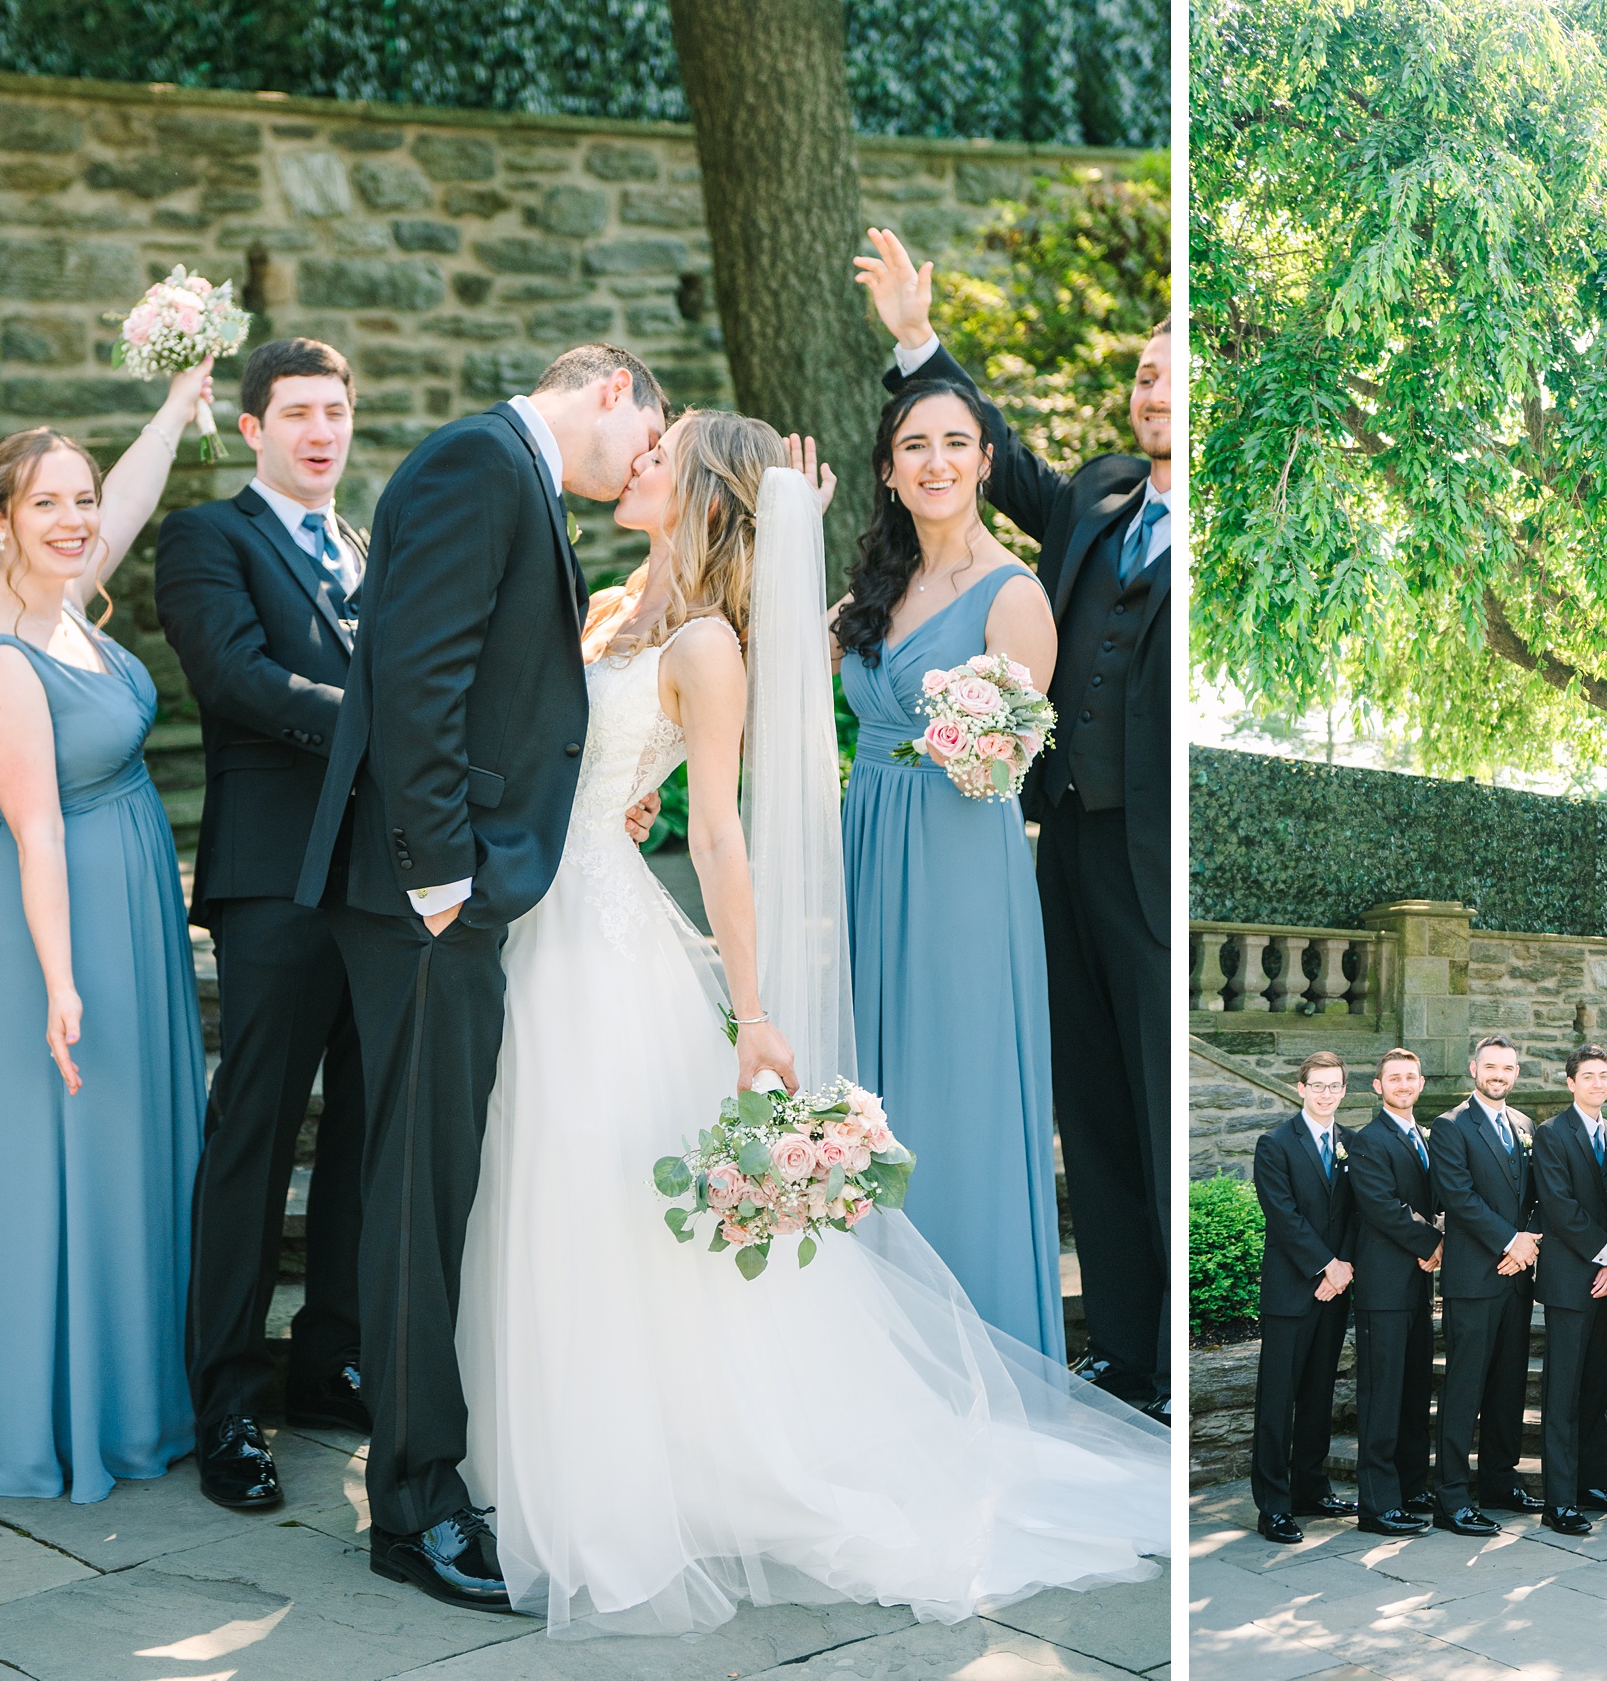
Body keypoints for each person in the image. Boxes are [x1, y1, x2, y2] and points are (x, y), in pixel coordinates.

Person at [454, 411, 1168, 1634]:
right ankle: (545, 1437)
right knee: (547, 1184)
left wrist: (753, 1008)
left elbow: (721, 825)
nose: (638, 460)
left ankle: (654, 1464)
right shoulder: (607, 600)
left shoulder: (711, 645)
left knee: (594, 1176)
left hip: (683, 918)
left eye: (660, 451)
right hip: (548, 916)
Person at [295, 344, 673, 1611]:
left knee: (426, 1186)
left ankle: (416, 1477)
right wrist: (440, 874)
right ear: (612, 388)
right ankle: (414, 1506)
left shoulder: (509, 473)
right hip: (423, 903)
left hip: (436, 893)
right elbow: (417, 678)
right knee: (419, 1198)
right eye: (646, 437)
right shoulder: (481, 463)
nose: (641, 466)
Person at [857, 229, 1172, 1417]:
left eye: (1174, 373)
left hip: (1157, 854)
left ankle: (1174, 1355)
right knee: (1088, 1101)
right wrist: (914, 342)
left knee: (1155, 1101)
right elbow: (977, 456)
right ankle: (1131, 1353)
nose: (1154, 389)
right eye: (1144, 373)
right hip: (1065, 845)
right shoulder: (1095, 495)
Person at [0, 362, 215, 1502]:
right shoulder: (0, 657)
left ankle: (143, 1391)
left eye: (79, 499)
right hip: (59, 925)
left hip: (133, 909)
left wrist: (175, 409)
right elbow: (34, 836)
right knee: (75, 1160)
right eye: (47, 504)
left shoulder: (63, 598)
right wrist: (62, 985)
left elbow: (123, 504)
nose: (76, 520)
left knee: (140, 1151)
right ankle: (67, 1418)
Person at [154, 338, 370, 1512]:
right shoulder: (207, 539)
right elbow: (234, 682)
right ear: (251, 429)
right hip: (271, 883)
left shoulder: (367, 545)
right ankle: (229, 1398)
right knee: (258, 1134)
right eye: (296, 414)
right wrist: (386, 723)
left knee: (365, 1127)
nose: (319, 432)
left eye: (334, 412)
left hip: (374, 887)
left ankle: (333, 1358)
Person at [831, 377, 1063, 1358]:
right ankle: (871, 1342)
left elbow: (1011, 755)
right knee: (867, 1082)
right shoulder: (868, 595)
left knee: (952, 1086)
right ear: (889, 469)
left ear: (982, 461)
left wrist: (966, 742)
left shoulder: (1014, 593)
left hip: (959, 856)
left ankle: (977, 1347)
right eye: (914, 444)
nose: (935, 461)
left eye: (955, 442)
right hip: (867, 844)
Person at [1428, 1034, 1542, 1536]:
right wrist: (1509, 1243)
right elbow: (1459, 1195)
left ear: (1516, 1073)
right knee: (1465, 1387)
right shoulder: (1451, 1126)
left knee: (1508, 1386)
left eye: (1508, 1067)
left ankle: (1499, 1479)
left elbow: (1535, 1195)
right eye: (1491, 1066)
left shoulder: (1523, 1125)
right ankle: (1451, 1495)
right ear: (1474, 1069)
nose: (1499, 1074)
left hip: (1516, 1278)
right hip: (1475, 1278)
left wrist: (1528, 1245)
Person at [1249, 1052, 1359, 1545]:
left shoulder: (1352, 1144)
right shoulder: (1274, 1144)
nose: (1326, 1094)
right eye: (1318, 1085)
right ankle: (1272, 1505)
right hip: (1292, 1290)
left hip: (1336, 1289)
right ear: (1300, 1088)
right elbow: (1283, 1215)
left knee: (1318, 1395)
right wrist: (1325, 1265)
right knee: (1278, 1400)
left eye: (1334, 1086)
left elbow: (1361, 1212)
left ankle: (1311, 1488)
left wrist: (1344, 1268)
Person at [1347, 1047, 1441, 1537]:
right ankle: (1378, 1505)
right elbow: (1382, 1207)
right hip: (1383, 1286)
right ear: (1378, 1087)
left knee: (1411, 1391)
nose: (1404, 1085)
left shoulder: (1425, 1138)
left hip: (1417, 1286)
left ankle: (1409, 1485)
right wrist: (1435, 1243)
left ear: (1420, 1084)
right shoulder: (1368, 1141)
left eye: (1411, 1077)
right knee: (1382, 1394)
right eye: (1394, 1078)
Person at [1533, 1044, 1607, 1535]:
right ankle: (1560, 1499)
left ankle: (1593, 1481)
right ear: (1571, 1083)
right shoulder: (1551, 1134)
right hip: (1570, 1281)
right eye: (1588, 1076)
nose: (1597, 1083)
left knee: (1596, 1387)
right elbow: (1560, 1205)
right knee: (1563, 1392)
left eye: (1604, 1075)